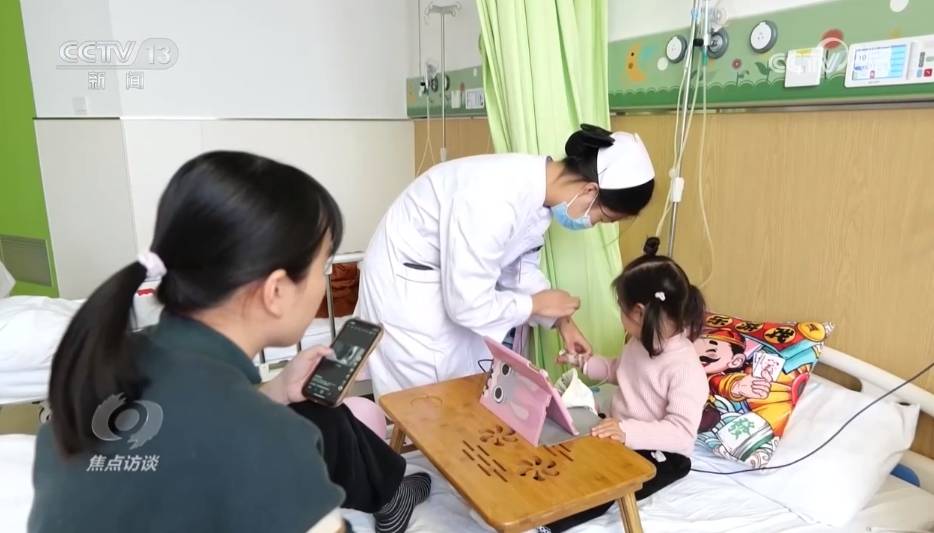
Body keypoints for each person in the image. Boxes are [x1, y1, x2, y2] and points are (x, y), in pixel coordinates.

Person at [30, 152, 430, 533]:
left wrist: (275, 391)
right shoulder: (271, 441)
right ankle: (392, 496)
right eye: (322, 267)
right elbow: (220, 436)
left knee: (318, 411)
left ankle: (391, 496)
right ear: (275, 290)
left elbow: (185, 431)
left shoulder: (101, 361)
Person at [358, 124, 657, 398]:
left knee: (461, 392)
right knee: (421, 404)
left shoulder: (537, 198)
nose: (592, 224)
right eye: (602, 218)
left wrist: (562, 322)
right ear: (590, 191)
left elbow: (519, 270)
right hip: (408, 292)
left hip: (445, 287)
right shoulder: (494, 198)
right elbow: (467, 304)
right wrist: (536, 305)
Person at [543, 237, 709, 533]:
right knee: (566, 446)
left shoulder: (684, 368)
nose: (620, 316)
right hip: (620, 431)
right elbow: (620, 371)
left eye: (621, 309)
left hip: (661, 452)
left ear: (639, 312)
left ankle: (548, 523)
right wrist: (583, 362)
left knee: (602, 482)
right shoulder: (640, 341)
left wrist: (626, 432)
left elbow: (682, 436)